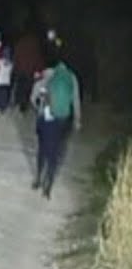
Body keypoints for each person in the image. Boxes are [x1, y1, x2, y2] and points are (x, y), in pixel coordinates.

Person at [30, 43, 82, 199]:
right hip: (62, 118)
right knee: (55, 152)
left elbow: (33, 97)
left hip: (44, 118)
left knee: (42, 149)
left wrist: (38, 106)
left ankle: (38, 177)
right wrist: (77, 119)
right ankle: (48, 185)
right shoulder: (71, 77)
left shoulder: (46, 76)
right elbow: (76, 100)